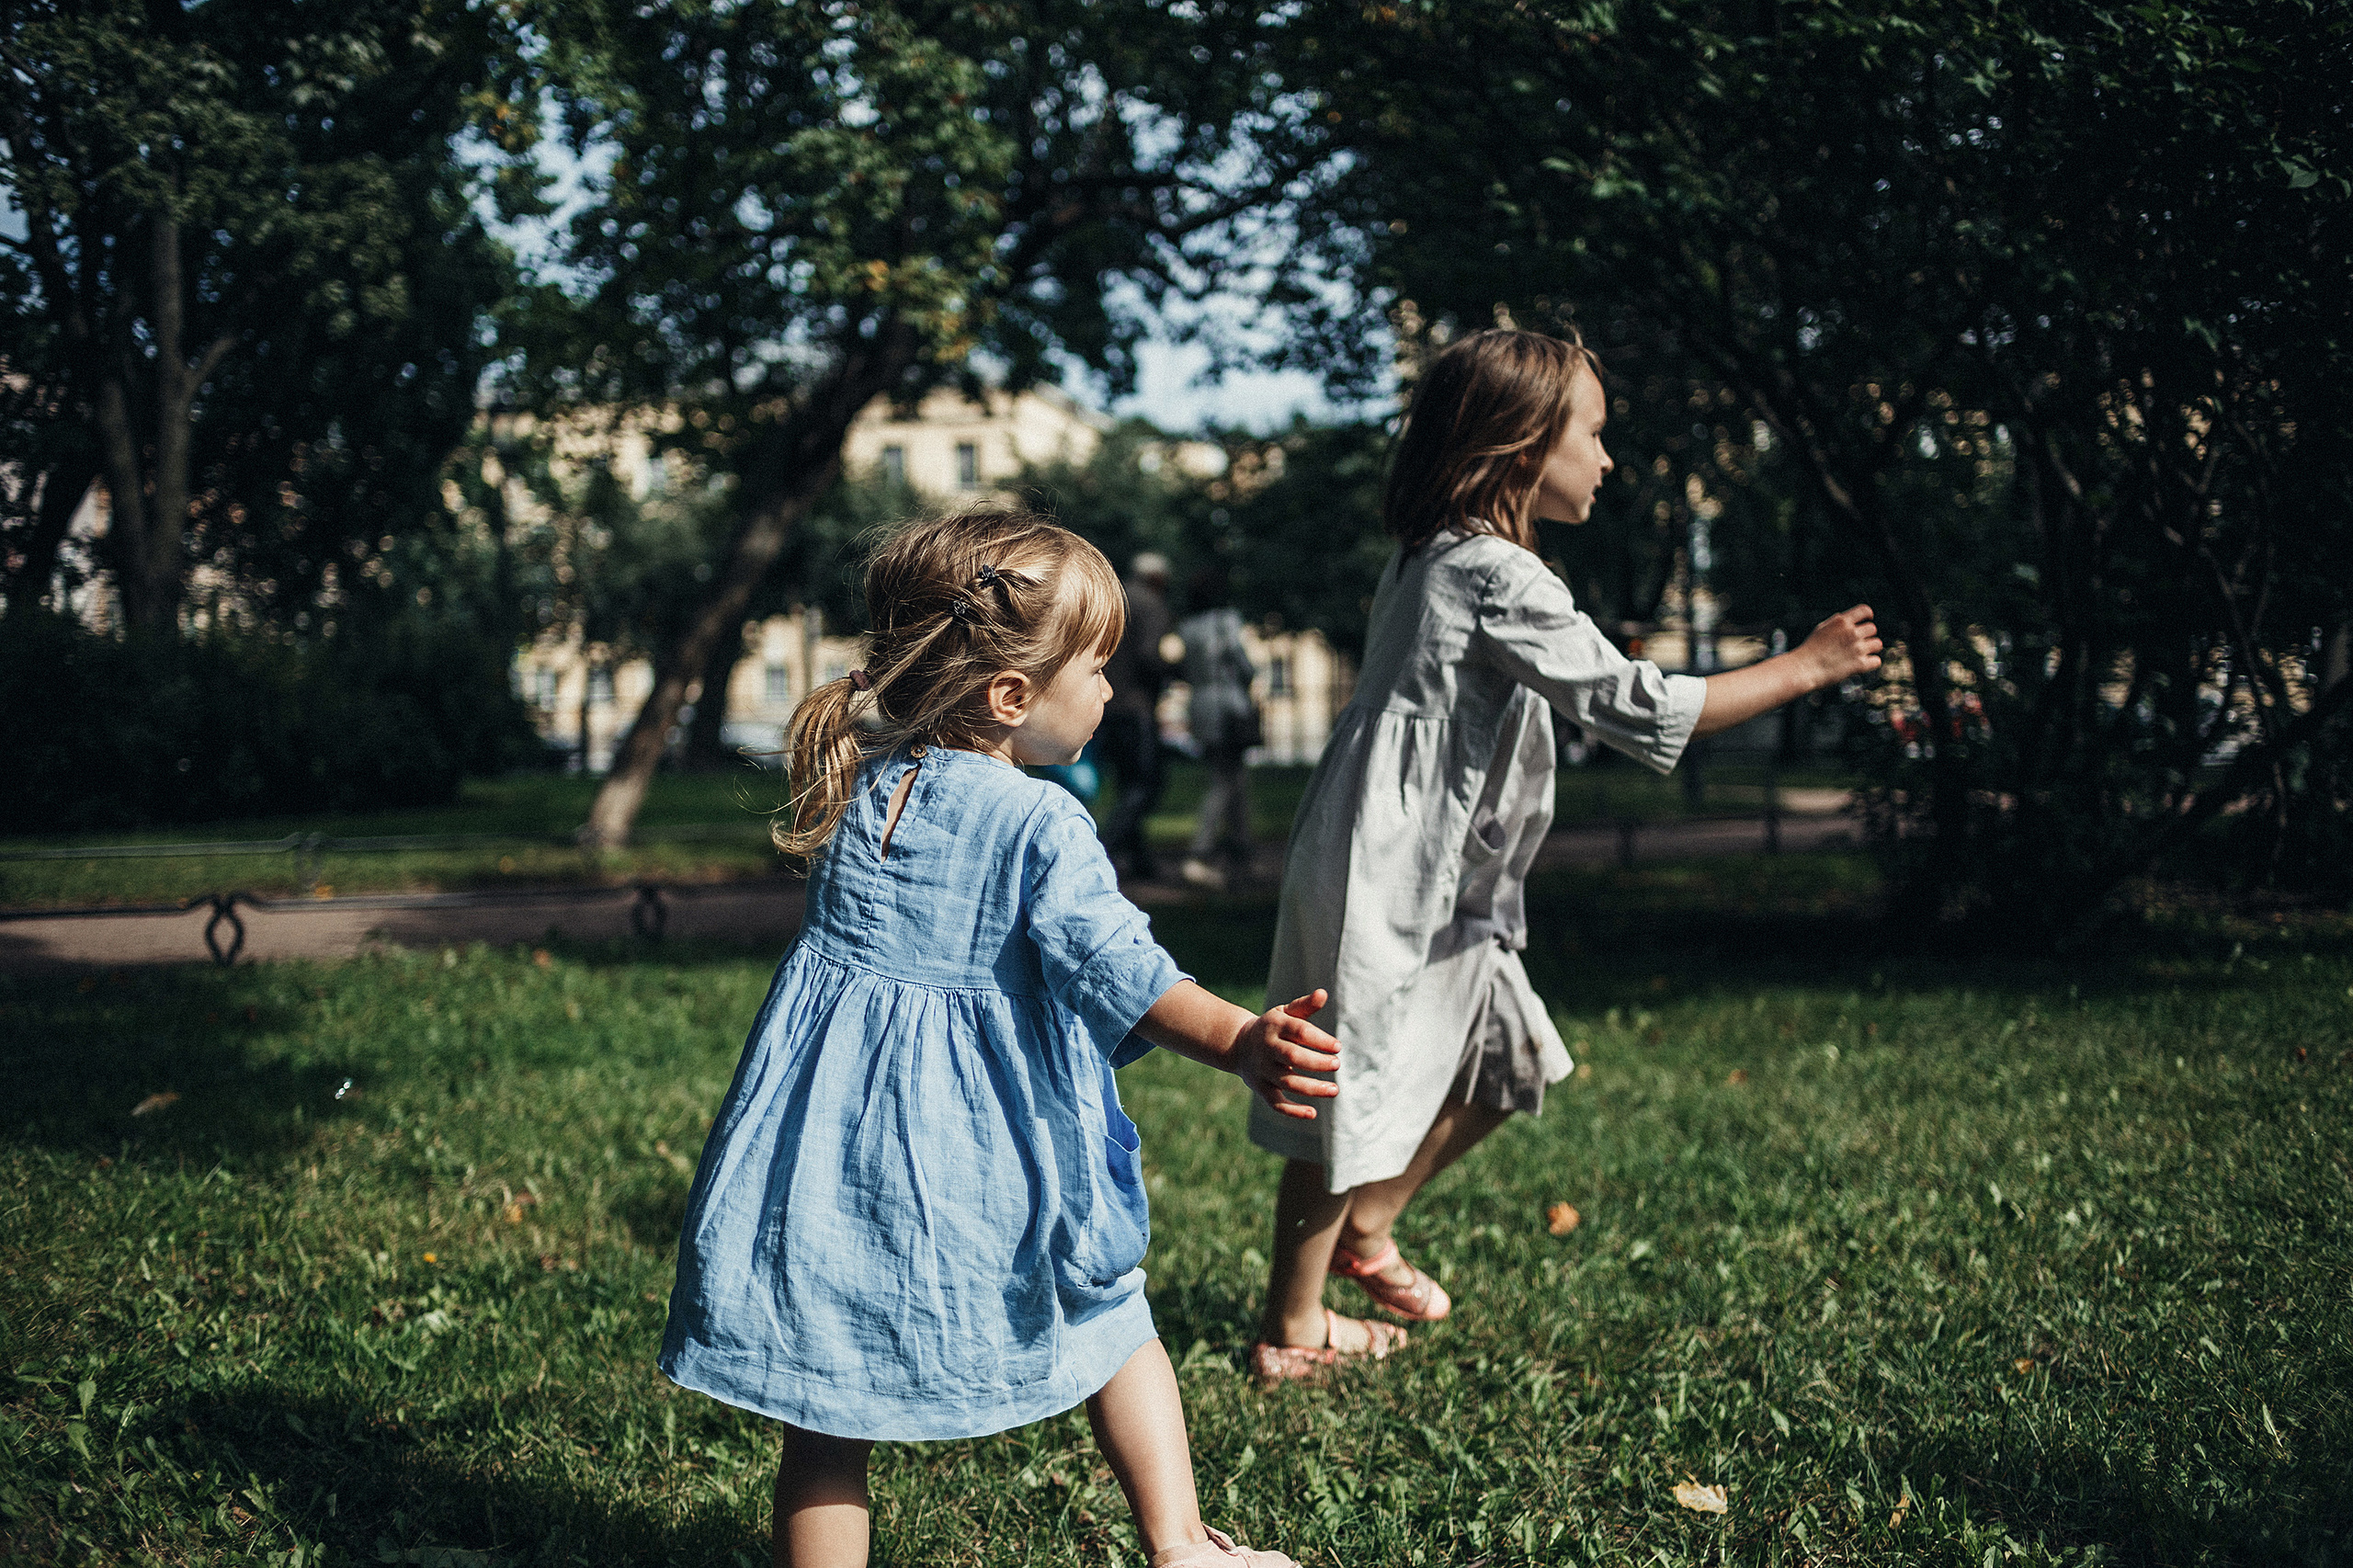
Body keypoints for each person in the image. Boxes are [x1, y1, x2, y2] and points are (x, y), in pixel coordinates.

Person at [659, 509, 1345, 1568]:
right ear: (1010, 696)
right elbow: (1125, 969)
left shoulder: (863, 778)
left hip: (830, 1160)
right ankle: (1180, 1545)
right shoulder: (1038, 820)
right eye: (1099, 667)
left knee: (825, 1404)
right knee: (1110, 1317)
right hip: (979, 1157)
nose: (1112, 690)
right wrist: (1243, 1038)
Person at [1245, 329, 1882, 1379]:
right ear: (1519, 445)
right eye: (1592, 432)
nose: (1607, 458)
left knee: (1508, 1063)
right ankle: (1292, 1327)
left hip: (1440, 879)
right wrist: (1806, 667)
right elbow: (1642, 707)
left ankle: (1367, 1232)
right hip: (1388, 877)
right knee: (1341, 1086)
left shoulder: (1447, 557)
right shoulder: (1489, 568)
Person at [1176, 565, 1259, 891]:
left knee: (1234, 780)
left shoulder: (1187, 627)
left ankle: (1243, 852)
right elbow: (1243, 664)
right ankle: (1200, 850)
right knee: (1226, 780)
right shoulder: (1227, 622)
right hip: (1229, 706)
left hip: (1200, 705)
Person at [1099, 552, 1176, 877]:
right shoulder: (1151, 604)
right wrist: (1173, 673)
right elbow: (1149, 654)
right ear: (1157, 577)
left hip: (1107, 704)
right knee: (1146, 783)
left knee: (1127, 782)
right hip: (1135, 706)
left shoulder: (1115, 598)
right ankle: (1102, 850)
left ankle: (1140, 861)